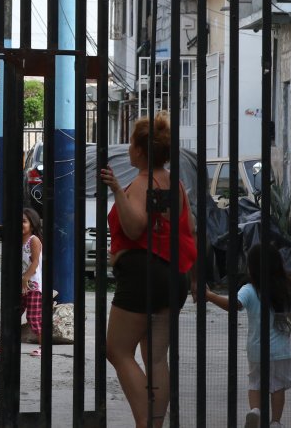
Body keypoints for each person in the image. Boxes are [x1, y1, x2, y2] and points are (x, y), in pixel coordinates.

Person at [98, 112, 197, 428]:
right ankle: (152, 422)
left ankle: (149, 422)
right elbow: (189, 227)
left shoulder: (141, 182)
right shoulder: (176, 183)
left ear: (140, 150)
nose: (129, 148)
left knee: (116, 349)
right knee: (155, 358)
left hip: (142, 277)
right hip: (172, 276)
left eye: (131, 143)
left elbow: (135, 225)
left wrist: (116, 190)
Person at [204, 244, 291, 428]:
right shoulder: (286, 288)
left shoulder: (250, 289)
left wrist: (209, 295)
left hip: (257, 350)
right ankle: (276, 421)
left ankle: (255, 411)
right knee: (278, 387)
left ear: (252, 267)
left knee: (255, 383)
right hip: (282, 351)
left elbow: (233, 305)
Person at [0, 208, 45, 357]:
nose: (20, 224)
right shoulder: (16, 240)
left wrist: (25, 278)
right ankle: (3, 346)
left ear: (32, 225)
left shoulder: (34, 240)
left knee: (34, 317)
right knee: (12, 316)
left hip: (33, 286)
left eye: (24, 221)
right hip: (19, 285)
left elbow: (35, 262)